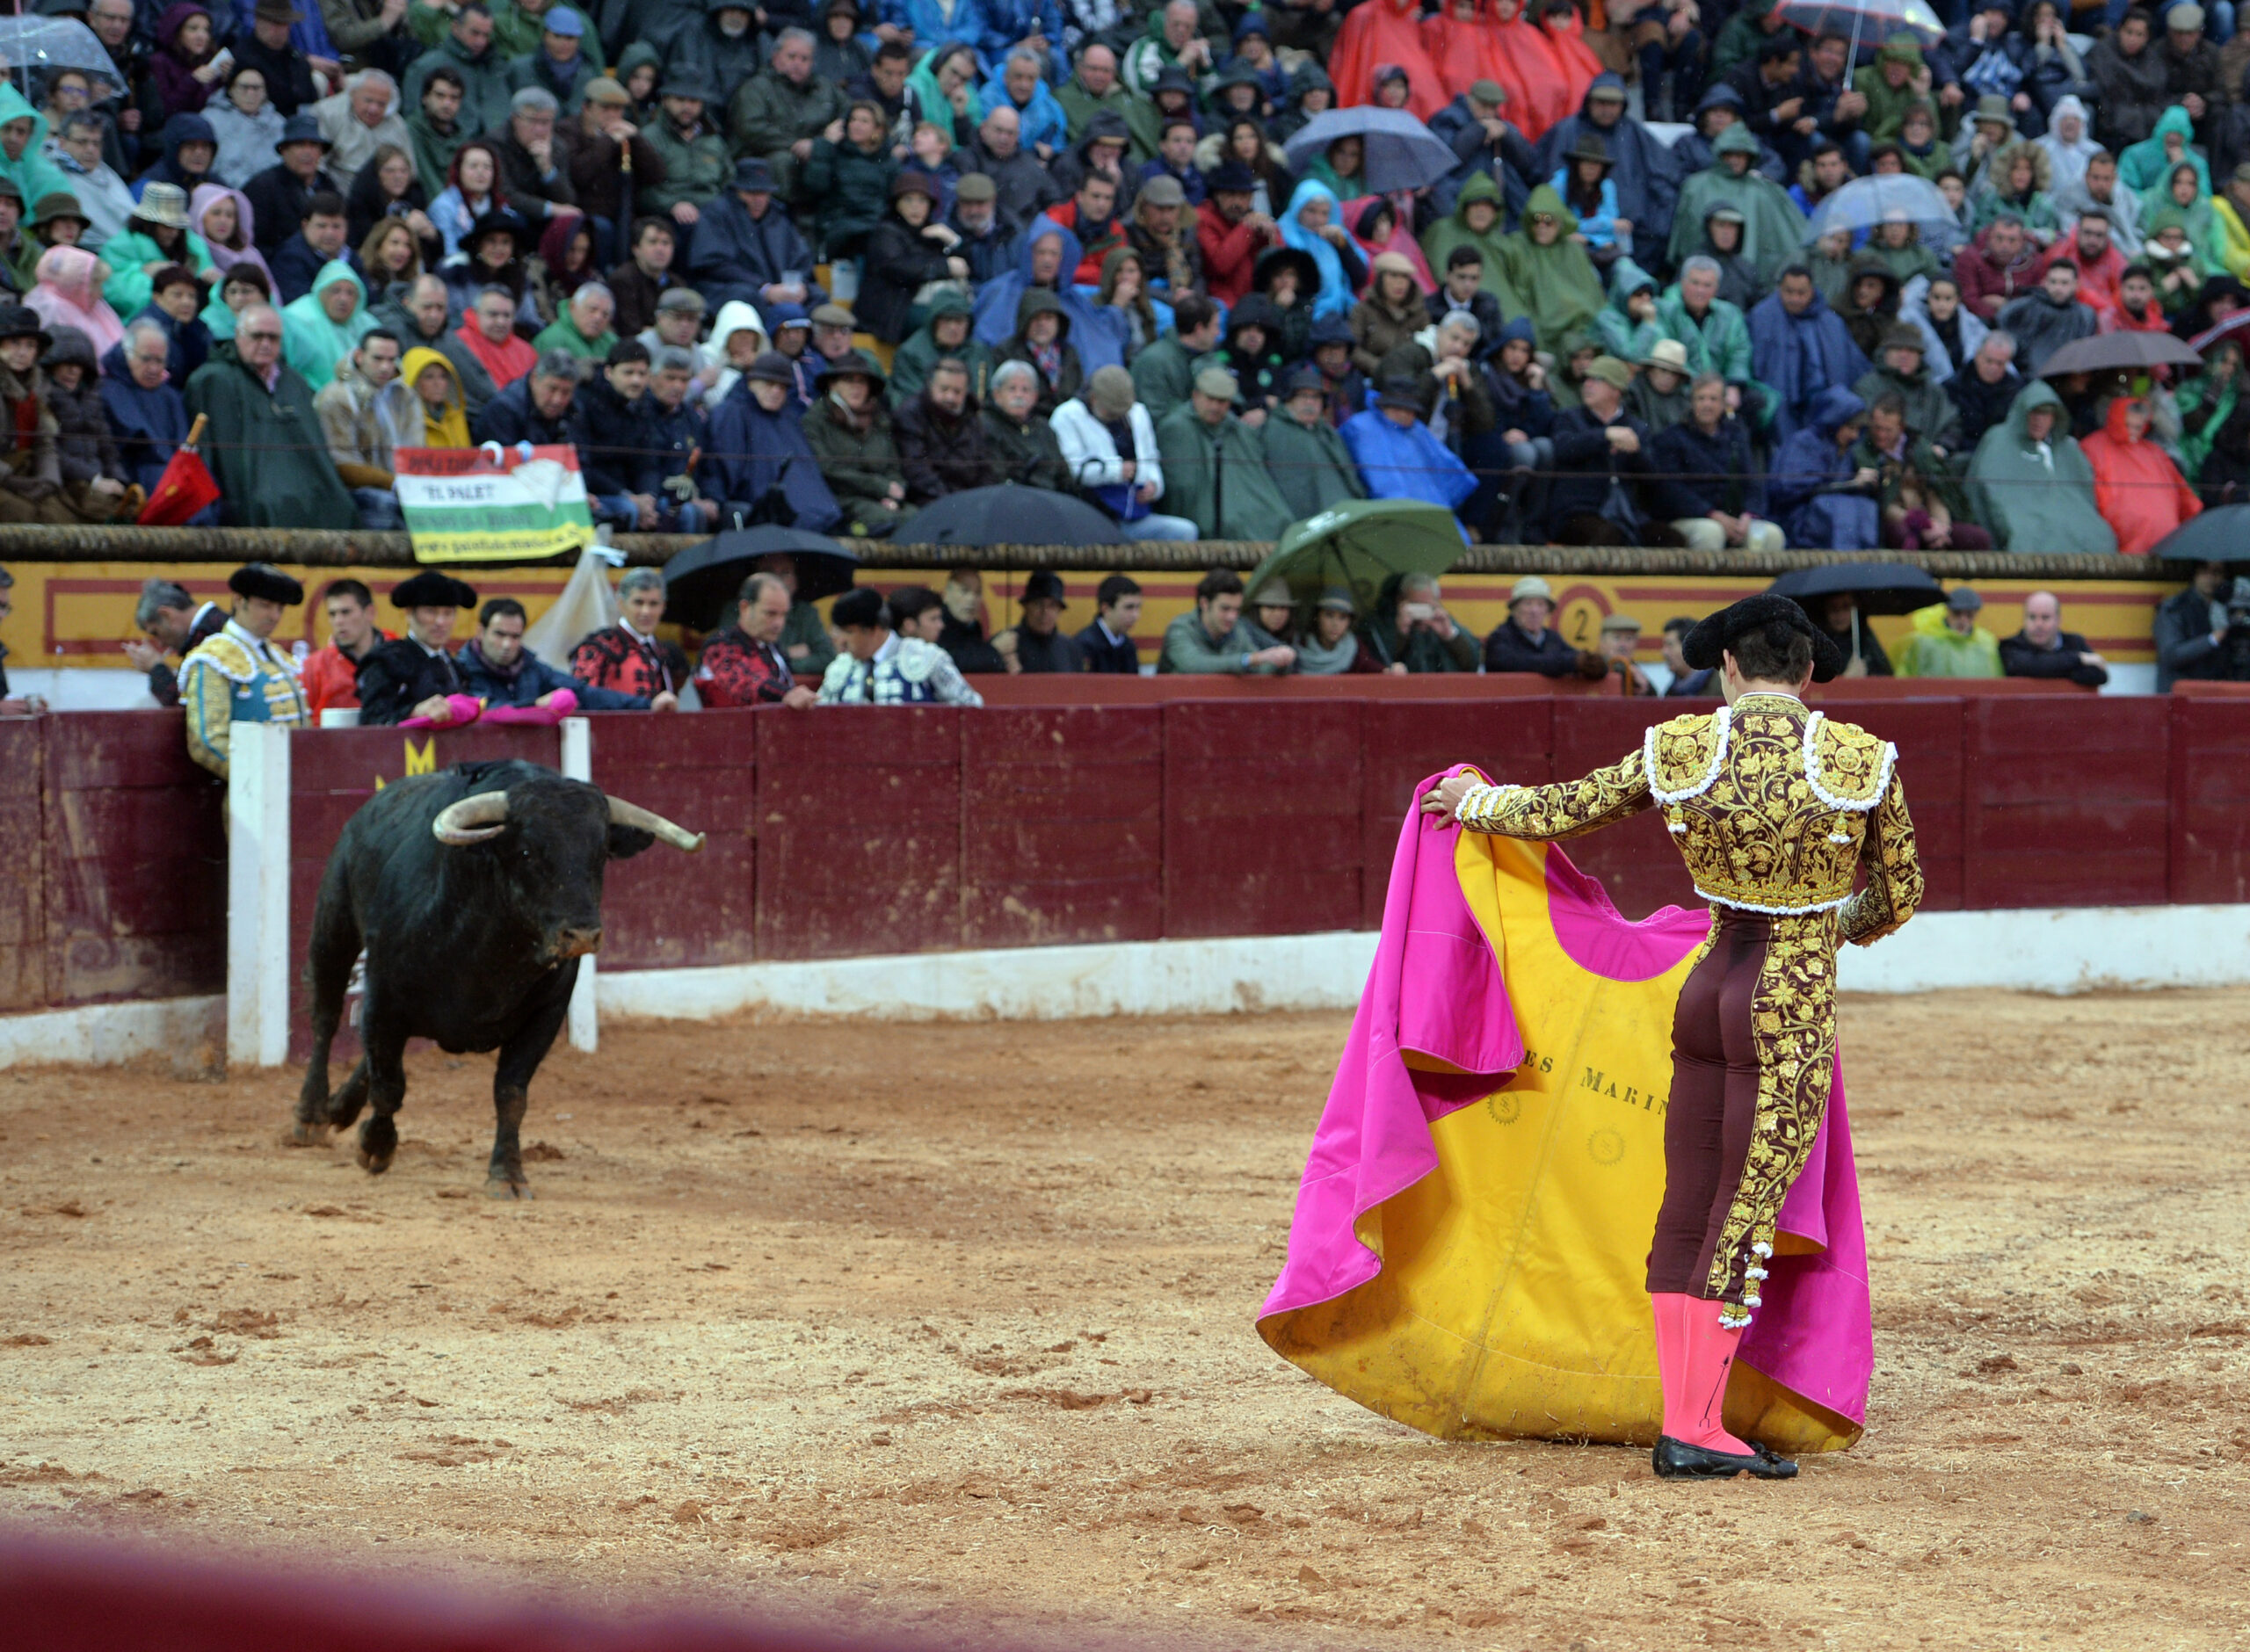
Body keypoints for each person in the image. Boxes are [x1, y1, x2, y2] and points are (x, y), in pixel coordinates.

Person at [1424, 594, 1922, 1482]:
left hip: (1707, 988)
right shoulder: (1862, 758)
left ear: (1727, 666)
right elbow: (1900, 891)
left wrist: (1476, 803)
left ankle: (1685, 1416)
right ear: (1809, 670)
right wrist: (1829, 928)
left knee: (1689, 1203)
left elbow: (1567, 807)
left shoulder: (1682, 746)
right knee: (1743, 1208)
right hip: (1788, 1003)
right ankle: (1696, 1426)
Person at [184, 301, 357, 527]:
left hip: (302, 485)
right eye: (257, 336)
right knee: (271, 506)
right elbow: (217, 459)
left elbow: (315, 451)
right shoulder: (212, 380)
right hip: (251, 492)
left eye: (273, 338)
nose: (265, 344)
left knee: (341, 505)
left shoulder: (294, 381)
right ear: (238, 336)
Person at [179, 562, 309, 779]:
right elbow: (208, 742)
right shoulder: (213, 658)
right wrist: (262, 778)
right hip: (252, 790)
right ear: (239, 601)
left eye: (280, 608)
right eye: (265, 605)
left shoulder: (277, 656)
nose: (275, 616)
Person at [1967, 379, 2120, 554]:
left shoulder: (2067, 447)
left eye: (2045, 414)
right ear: (2022, 413)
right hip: (2022, 516)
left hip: (2067, 516)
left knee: (2100, 535)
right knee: (2028, 535)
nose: (2038, 420)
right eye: (2034, 412)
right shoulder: (1999, 440)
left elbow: (2084, 495)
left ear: (2055, 417)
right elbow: (1990, 494)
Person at [1048, 363, 1193, 540]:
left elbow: (1151, 458)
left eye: (1123, 411)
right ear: (1093, 398)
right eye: (1112, 412)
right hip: (1090, 517)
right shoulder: (1066, 416)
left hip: (1136, 514)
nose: (1118, 415)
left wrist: (1154, 486)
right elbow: (1071, 472)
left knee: (1186, 531)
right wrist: (1117, 471)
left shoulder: (1137, 412)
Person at [1151, 366, 1293, 540]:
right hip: (1204, 520)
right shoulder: (1176, 428)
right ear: (1196, 395)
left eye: (1222, 401)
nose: (1215, 407)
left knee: (1280, 520)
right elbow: (1182, 489)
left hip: (1241, 512)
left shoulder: (1239, 431)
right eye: (1210, 399)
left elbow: (1257, 481)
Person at [1653, 372, 1782, 553]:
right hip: (1691, 518)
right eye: (1701, 398)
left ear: (1723, 403)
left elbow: (1752, 481)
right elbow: (1672, 490)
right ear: (1691, 402)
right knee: (1711, 533)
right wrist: (1712, 514)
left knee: (1771, 535)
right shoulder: (1672, 437)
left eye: (1713, 399)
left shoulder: (1736, 434)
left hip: (1734, 519)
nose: (1707, 404)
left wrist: (1748, 516)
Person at [1746, 264, 1871, 445]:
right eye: (1789, 292)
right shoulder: (1761, 318)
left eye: (1801, 293)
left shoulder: (1831, 322)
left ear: (1812, 290)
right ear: (1779, 289)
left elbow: (1855, 367)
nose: (1795, 299)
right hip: (1777, 405)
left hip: (1820, 403)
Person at [818, 586, 985, 705]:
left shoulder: (926, 657)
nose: (841, 640)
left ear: (873, 630)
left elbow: (971, 707)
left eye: (848, 632)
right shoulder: (840, 668)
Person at [2081, 392, 2202, 554]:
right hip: (2117, 547)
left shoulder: (2154, 452)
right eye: (2127, 425)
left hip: (2163, 545)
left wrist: (2195, 519)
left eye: (2137, 427)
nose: (2132, 431)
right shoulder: (2093, 448)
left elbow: (2183, 494)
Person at [355, 569, 475, 725]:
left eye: (448, 613)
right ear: (409, 613)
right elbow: (371, 720)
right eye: (430, 612)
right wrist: (413, 712)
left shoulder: (455, 667)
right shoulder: (388, 661)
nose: (440, 622)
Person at [99, 319, 196, 503]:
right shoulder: (108, 391)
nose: (153, 368)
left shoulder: (170, 396)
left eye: (159, 361)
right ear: (127, 354)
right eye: (146, 359)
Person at [693, 571, 819, 708]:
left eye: (783, 615)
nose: (779, 623)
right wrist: (785, 694)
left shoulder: (772, 648)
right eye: (770, 613)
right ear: (745, 608)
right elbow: (744, 683)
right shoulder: (719, 646)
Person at [1262, 367, 1365, 519]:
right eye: (1303, 396)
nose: (1310, 402)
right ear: (1289, 400)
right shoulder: (1273, 430)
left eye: (1316, 397)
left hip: (1341, 515)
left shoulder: (1328, 433)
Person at [1158, 567, 1294, 675]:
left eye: (1236, 610)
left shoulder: (1237, 630)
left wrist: (1280, 662)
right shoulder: (1181, 628)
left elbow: (1259, 669)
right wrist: (1249, 659)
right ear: (1204, 603)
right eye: (1225, 609)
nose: (1232, 617)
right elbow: (1193, 665)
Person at [297, 576, 390, 717]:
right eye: (332, 614)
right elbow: (302, 722)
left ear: (370, 613)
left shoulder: (400, 657)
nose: (338, 621)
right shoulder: (314, 667)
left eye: (346, 612)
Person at [125, 576, 224, 706]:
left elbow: (187, 707)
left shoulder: (210, 637)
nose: (161, 644)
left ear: (166, 615)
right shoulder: (214, 627)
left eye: (156, 633)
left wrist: (157, 669)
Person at [1483, 574, 1604, 677]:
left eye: (1540, 604)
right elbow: (1520, 663)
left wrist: (1593, 664)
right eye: (1528, 603)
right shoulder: (1500, 638)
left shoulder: (1553, 638)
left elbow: (1576, 659)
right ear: (1514, 609)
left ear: (1547, 611)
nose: (1534, 611)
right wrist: (1572, 663)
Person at [1361, 572, 1478, 674]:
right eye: (1416, 605)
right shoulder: (1379, 623)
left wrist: (1450, 636)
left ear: (1437, 602)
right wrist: (1401, 633)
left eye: (1426, 606)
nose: (1421, 613)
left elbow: (1473, 663)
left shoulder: (1442, 621)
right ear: (1400, 600)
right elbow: (1377, 664)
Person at [1997, 257, 2097, 376]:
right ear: (2045, 282)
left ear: (2076, 285)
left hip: (2065, 377)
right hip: (2026, 377)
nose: (2058, 288)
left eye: (2064, 283)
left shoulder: (2085, 316)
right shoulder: (2024, 307)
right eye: (2053, 282)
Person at [2155, 560, 2245, 687]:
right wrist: (2212, 639)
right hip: (2181, 689)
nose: (2211, 578)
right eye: (2204, 571)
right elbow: (2171, 655)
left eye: (2217, 572)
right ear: (2195, 574)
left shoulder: (2229, 606)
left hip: (2216, 688)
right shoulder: (2175, 608)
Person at [2000, 590, 2109, 687]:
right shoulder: (2011, 646)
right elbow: (2030, 666)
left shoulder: (2075, 643)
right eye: (2032, 617)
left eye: (2045, 617)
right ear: (2024, 620)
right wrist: (2078, 659)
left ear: (2058, 620)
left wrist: (2052, 669)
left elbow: (2099, 675)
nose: (2038, 624)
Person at [1894, 587, 2003, 678]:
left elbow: (1996, 678)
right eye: (1957, 613)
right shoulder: (1924, 641)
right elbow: (1904, 676)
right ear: (1947, 610)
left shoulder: (1986, 642)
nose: (1963, 620)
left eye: (1969, 615)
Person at [1948, 330, 2025, 452]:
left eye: (1999, 363)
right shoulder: (1954, 386)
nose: (1993, 368)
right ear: (1978, 356)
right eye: (1989, 361)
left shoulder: (2016, 392)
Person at [992, 569, 1083, 673]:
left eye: (1052, 605)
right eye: (1038, 604)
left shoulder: (1070, 649)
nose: (1045, 612)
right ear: (1026, 606)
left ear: (1059, 610)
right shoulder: (1004, 645)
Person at [1074, 573, 1142, 673]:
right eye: (1129, 607)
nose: (1136, 615)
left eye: (1138, 607)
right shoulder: (1084, 645)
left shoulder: (1128, 645)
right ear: (1106, 608)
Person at [1660, 614, 1717, 696]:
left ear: (1690, 647)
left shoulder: (1723, 688)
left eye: (1670, 645)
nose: (1664, 652)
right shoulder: (1672, 693)